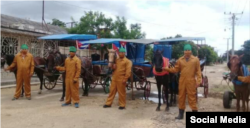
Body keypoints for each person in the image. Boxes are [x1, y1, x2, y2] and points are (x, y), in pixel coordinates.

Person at [163, 44, 202, 119]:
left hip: (191, 81)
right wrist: (167, 69)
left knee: (192, 97)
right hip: (182, 81)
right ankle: (181, 114)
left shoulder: (195, 60)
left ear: (191, 51)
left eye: (189, 50)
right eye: (186, 50)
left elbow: (198, 71)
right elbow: (175, 69)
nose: (187, 52)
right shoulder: (180, 60)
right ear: (183, 51)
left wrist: (199, 81)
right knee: (181, 97)